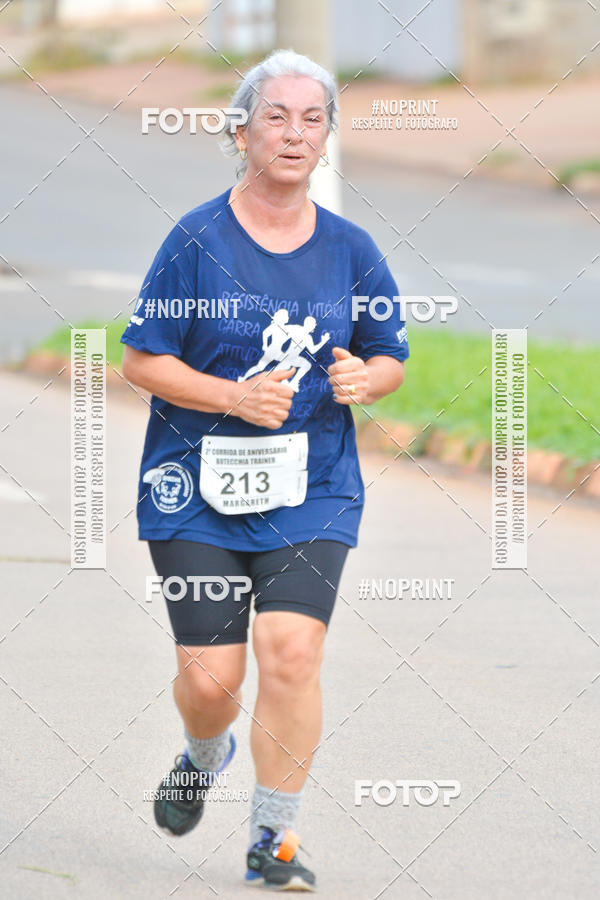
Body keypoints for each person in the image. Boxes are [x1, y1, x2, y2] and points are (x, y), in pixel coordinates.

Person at [121, 48, 409, 892]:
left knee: (291, 654)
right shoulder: (196, 241)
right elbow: (142, 361)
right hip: (195, 489)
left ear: (326, 139)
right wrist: (230, 398)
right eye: (275, 117)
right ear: (240, 132)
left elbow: (390, 355)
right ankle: (202, 753)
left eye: (311, 118)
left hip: (311, 485)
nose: (293, 132)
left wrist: (367, 378)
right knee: (213, 681)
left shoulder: (352, 250)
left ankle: (271, 840)